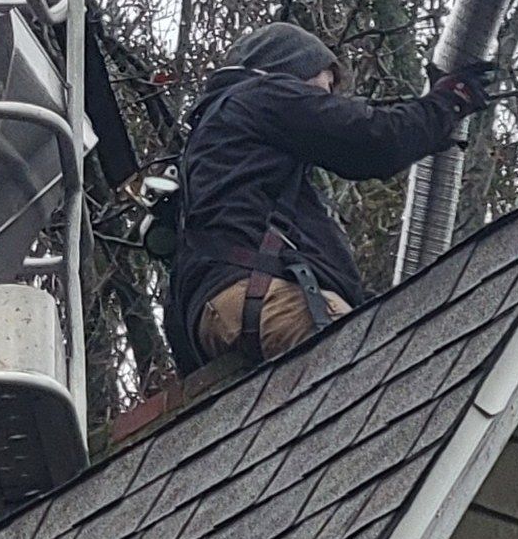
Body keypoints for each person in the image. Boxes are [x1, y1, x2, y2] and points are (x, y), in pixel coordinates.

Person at [163, 21, 488, 374]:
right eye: (325, 83)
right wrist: (447, 103)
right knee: (368, 378)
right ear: (292, 68)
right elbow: (374, 139)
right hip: (264, 295)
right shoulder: (263, 95)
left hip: (213, 317)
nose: (329, 96)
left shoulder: (217, 139)